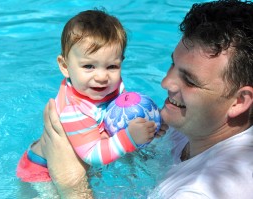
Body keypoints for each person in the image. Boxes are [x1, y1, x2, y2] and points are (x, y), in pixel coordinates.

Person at [39, 0, 253, 198]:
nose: (166, 82)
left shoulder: (199, 192)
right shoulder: (195, 124)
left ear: (239, 101)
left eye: (189, 80)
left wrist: (72, 186)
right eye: (172, 65)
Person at [17, 9, 163, 183]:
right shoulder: (74, 109)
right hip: (42, 173)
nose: (102, 77)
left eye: (111, 67)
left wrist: (148, 128)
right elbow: (92, 155)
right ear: (65, 66)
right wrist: (130, 137)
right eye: (88, 66)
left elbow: (118, 119)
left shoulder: (109, 87)